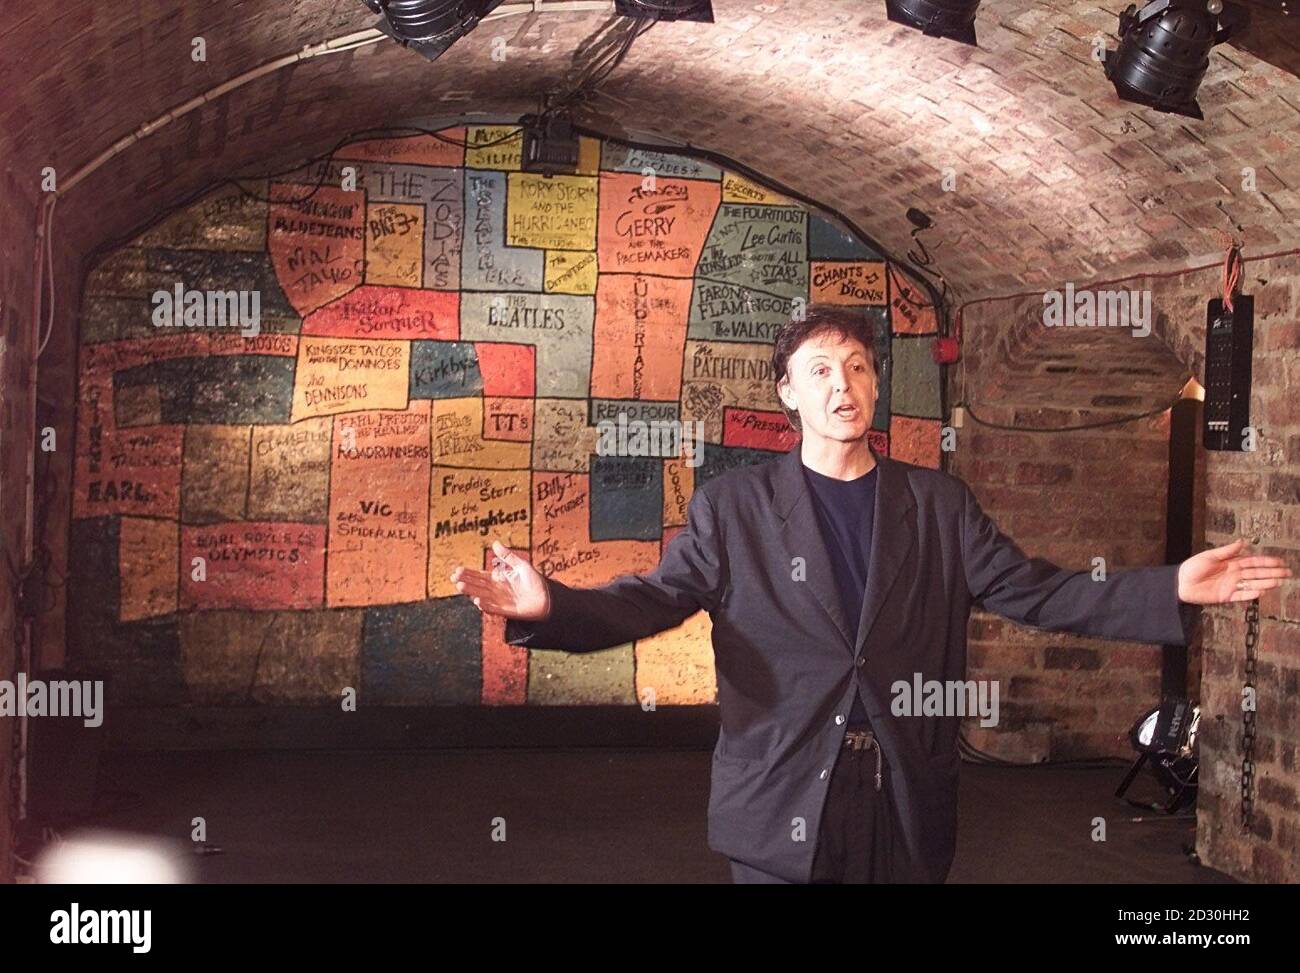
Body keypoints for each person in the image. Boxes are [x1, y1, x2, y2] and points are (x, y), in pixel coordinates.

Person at [450, 304, 1292, 884]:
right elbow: (653, 599)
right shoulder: (735, 509)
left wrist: (1170, 586)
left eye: (856, 366)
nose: (841, 383)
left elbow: (1036, 591)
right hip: (781, 790)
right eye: (819, 369)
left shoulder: (937, 505)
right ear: (787, 392)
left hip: (902, 793)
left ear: (875, 386)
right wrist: (550, 608)